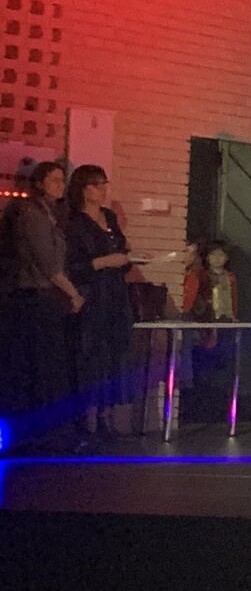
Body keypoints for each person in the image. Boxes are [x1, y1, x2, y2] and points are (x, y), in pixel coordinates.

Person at [1, 161, 85, 449]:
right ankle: (44, 435)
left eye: (62, 180)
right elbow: (49, 264)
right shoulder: (32, 214)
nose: (60, 185)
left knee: (48, 366)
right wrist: (73, 293)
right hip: (34, 298)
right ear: (39, 183)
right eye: (54, 180)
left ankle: (48, 433)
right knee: (43, 367)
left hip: (45, 297)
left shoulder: (52, 214)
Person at [65, 164, 137, 441]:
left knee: (114, 354)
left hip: (115, 293)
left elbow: (121, 250)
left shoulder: (109, 216)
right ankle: (87, 420)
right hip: (93, 295)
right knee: (91, 356)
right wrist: (105, 261)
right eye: (97, 185)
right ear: (84, 189)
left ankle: (107, 417)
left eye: (105, 184)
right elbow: (74, 266)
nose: (103, 190)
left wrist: (128, 258)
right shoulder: (76, 223)